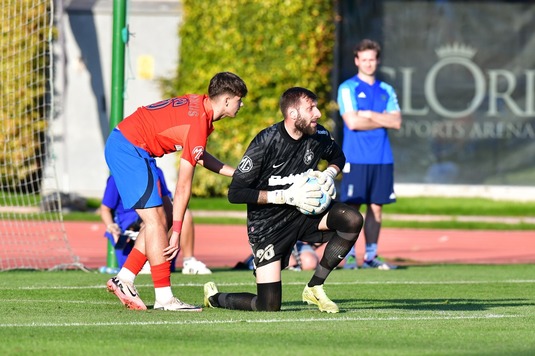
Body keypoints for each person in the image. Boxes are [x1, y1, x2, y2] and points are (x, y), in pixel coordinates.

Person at [203, 87, 363, 313]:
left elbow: (338, 156)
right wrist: (284, 196)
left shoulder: (318, 135)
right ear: (293, 114)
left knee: (352, 219)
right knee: (268, 305)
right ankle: (215, 298)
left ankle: (315, 287)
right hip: (268, 225)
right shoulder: (266, 142)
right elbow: (236, 193)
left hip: (304, 214)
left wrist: (330, 172)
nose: (317, 113)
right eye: (311, 108)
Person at [104, 72, 248, 311]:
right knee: (155, 222)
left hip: (133, 147)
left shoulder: (201, 108)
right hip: (129, 148)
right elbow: (183, 187)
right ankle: (164, 297)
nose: (241, 104)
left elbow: (197, 153)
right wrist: (178, 233)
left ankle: (125, 278)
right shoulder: (199, 122)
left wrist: (235, 172)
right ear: (226, 100)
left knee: (164, 216)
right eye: (239, 100)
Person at [337, 39, 402, 270]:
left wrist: (369, 114)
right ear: (357, 61)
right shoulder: (347, 88)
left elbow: (396, 122)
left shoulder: (387, 90)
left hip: (382, 157)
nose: (368, 63)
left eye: (372, 59)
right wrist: (380, 118)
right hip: (355, 157)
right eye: (363, 59)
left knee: (377, 207)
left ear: (378, 60)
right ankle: (351, 255)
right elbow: (352, 122)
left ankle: (372, 255)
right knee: (353, 207)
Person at [100, 167, 211, 274]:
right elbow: (105, 209)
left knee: (183, 214)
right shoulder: (118, 176)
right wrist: (111, 226)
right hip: (131, 227)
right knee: (151, 218)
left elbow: (166, 201)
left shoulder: (156, 171)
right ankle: (145, 261)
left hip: (156, 218)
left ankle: (189, 262)